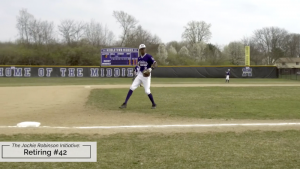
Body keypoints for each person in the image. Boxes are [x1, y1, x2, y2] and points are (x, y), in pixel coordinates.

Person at [119, 44, 157, 109]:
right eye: (142, 49)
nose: (143, 50)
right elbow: (138, 66)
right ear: (140, 50)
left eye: (144, 48)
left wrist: (151, 68)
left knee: (147, 91)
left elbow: (155, 63)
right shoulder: (139, 58)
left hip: (146, 76)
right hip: (140, 74)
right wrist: (135, 71)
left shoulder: (148, 56)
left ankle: (154, 104)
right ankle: (125, 103)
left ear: (145, 49)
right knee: (132, 87)